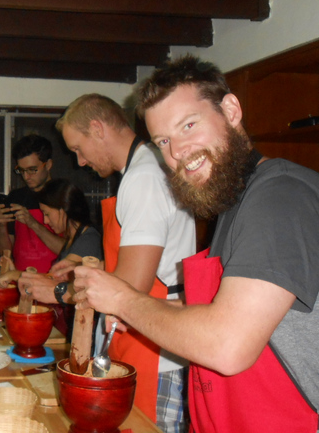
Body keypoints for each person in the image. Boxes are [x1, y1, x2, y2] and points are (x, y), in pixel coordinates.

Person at [74, 55, 319, 432]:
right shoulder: (236, 203)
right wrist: (147, 309)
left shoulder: (282, 196)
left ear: (231, 110)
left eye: (189, 125)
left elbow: (227, 344)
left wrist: (123, 299)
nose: (178, 152)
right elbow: (243, 311)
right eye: (164, 141)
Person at [58, 93, 196, 433]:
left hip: (157, 348)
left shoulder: (144, 178)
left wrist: (63, 291)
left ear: (97, 128)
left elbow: (131, 286)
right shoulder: (141, 169)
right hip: (141, 332)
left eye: (78, 149)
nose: (79, 162)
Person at [3, 179, 102, 336]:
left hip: (84, 329)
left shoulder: (88, 239)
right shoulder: (74, 238)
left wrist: (15, 275)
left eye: (47, 214)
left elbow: (56, 281)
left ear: (62, 211)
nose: (45, 220)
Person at [0, 134, 64, 273]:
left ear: (48, 165)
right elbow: (5, 253)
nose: (26, 176)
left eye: (32, 169)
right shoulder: (16, 197)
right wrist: (2, 226)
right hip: (21, 280)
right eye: (21, 170)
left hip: (54, 283)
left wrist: (32, 223)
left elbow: (70, 250)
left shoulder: (64, 195)